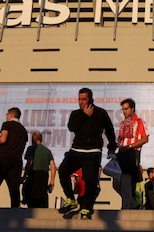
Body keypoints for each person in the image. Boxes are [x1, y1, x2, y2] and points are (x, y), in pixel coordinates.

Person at [57, 87, 117, 220]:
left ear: (90, 99)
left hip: (93, 152)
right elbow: (72, 127)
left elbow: (109, 130)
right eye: (79, 99)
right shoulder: (76, 114)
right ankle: (71, 200)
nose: (80, 102)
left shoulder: (100, 113)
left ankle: (86, 207)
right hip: (76, 150)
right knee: (63, 171)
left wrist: (111, 147)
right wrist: (84, 115)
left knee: (90, 180)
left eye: (83, 99)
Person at [0, 107, 28, 208]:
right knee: (14, 188)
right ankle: (15, 210)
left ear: (11, 115)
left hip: (3, 158)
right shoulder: (24, 130)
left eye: (7, 115)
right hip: (17, 161)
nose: (6, 117)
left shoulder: (7, 125)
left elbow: (3, 139)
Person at [113, 98, 149, 209]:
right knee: (115, 182)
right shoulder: (123, 123)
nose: (124, 111)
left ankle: (126, 207)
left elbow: (145, 139)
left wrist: (130, 146)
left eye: (126, 109)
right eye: (123, 109)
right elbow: (120, 141)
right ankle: (134, 204)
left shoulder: (139, 122)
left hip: (132, 153)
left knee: (125, 180)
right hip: (121, 153)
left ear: (132, 108)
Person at [22, 131, 56, 208]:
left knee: (29, 191)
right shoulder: (47, 151)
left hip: (33, 173)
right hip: (44, 175)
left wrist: (24, 176)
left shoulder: (31, 149)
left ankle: (25, 201)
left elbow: (30, 162)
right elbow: (53, 166)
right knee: (42, 194)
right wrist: (52, 180)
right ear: (41, 139)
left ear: (32, 140)